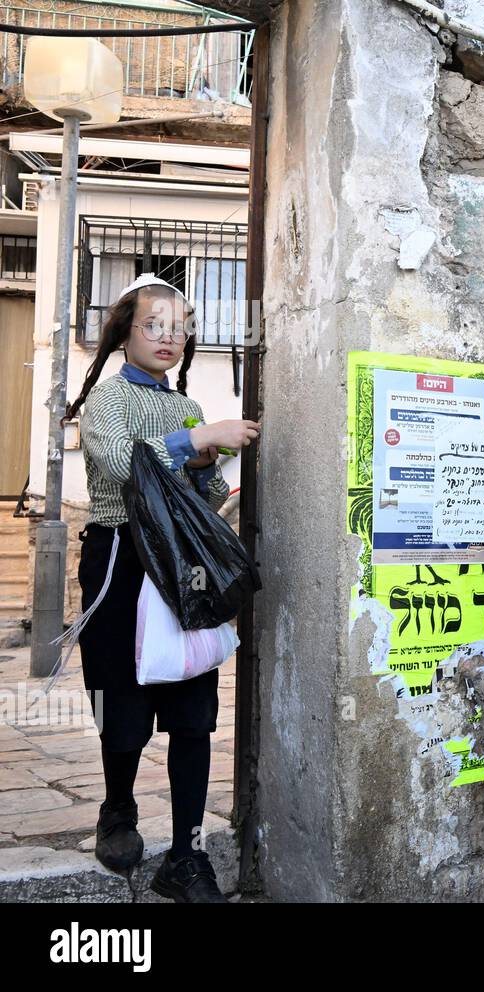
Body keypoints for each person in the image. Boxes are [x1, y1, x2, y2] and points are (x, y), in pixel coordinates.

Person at [64, 273, 260, 902]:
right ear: (124, 331)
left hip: (184, 567)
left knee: (193, 711)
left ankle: (186, 853)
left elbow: (204, 497)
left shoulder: (185, 407)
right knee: (119, 699)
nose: (168, 338)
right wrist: (196, 441)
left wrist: (208, 463)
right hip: (121, 559)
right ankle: (118, 809)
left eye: (179, 328)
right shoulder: (108, 399)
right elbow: (123, 469)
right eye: (154, 325)